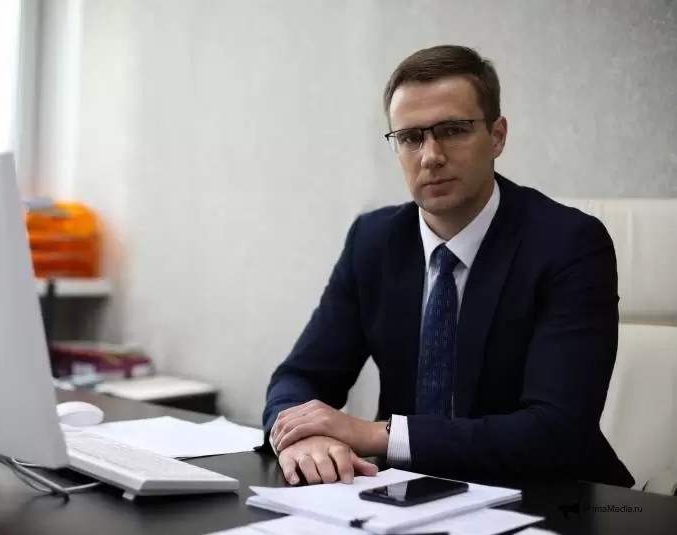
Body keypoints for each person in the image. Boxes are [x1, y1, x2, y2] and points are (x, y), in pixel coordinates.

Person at [261, 44, 634, 488]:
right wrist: (302, 437)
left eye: (453, 130)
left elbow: (557, 432)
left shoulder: (569, 244)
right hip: (401, 498)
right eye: (410, 138)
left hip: (549, 499)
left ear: (497, 136)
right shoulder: (373, 241)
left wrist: (376, 435)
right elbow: (300, 377)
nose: (430, 155)